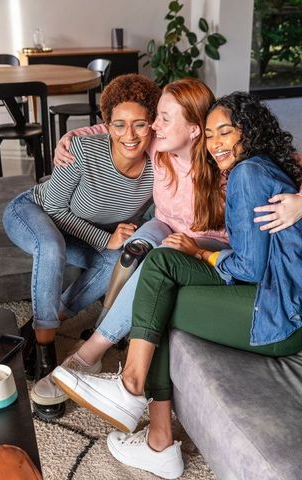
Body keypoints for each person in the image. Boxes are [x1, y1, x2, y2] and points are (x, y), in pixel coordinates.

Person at [52, 92, 302, 479]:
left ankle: (149, 421)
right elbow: (129, 125)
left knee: (161, 296)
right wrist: (71, 137)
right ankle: (137, 402)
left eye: (227, 133)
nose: (217, 143)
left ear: (249, 133)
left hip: (277, 311)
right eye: (212, 134)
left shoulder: (247, 173)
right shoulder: (253, 168)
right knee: (162, 262)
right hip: (270, 296)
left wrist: (204, 255)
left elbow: (249, 268)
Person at [31, 78, 233, 416]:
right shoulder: (159, 145)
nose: (154, 125)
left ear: (196, 129)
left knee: (157, 259)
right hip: (165, 225)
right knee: (135, 247)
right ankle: (108, 325)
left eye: (164, 118)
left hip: (209, 238)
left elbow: (286, 164)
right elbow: (120, 127)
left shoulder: (223, 161)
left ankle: (87, 355)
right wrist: (69, 138)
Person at [2, 73, 161, 386]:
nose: (129, 134)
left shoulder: (159, 168)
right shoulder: (83, 151)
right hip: (33, 211)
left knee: (116, 261)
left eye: (139, 124)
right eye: (119, 124)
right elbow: (54, 208)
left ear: (153, 124)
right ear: (108, 125)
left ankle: (41, 325)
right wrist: (106, 238)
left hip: (78, 230)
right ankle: (46, 354)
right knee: (51, 247)